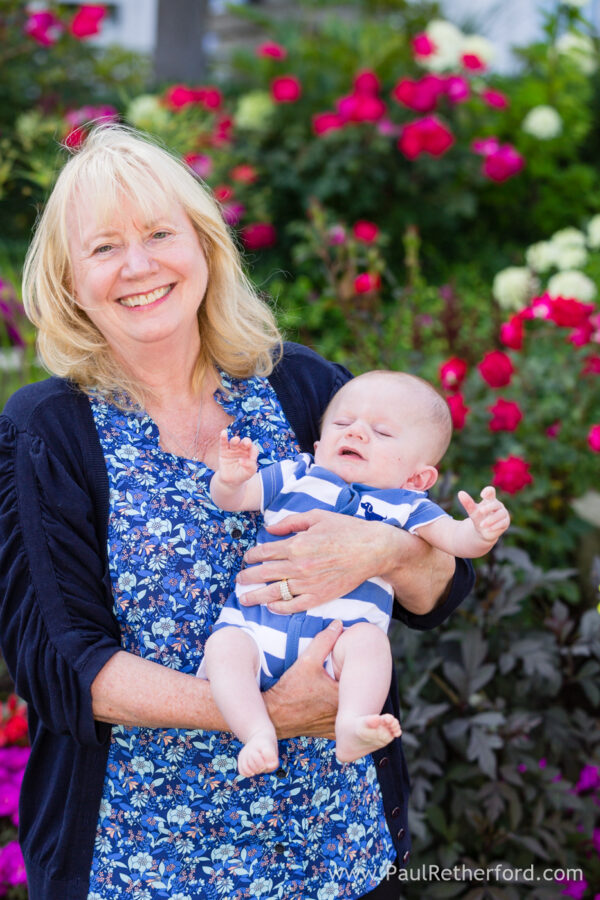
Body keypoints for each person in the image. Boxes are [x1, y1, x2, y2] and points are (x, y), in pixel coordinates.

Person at [0, 124, 474, 900]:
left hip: (337, 856)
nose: (140, 265)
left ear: (206, 246)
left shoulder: (304, 389)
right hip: (139, 868)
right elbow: (63, 669)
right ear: (68, 280)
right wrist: (265, 713)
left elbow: (441, 590)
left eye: (160, 233)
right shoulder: (48, 432)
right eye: (105, 247)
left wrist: (381, 550)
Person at [203, 370, 510, 777]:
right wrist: (230, 479)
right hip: (257, 633)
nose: (358, 433)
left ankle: (351, 723)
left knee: (370, 644)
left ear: (418, 478)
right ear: (319, 444)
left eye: (382, 432)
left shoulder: (404, 506)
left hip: (338, 650)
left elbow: (456, 540)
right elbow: (235, 499)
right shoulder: (298, 473)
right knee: (224, 647)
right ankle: (257, 732)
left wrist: (480, 530)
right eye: (343, 424)